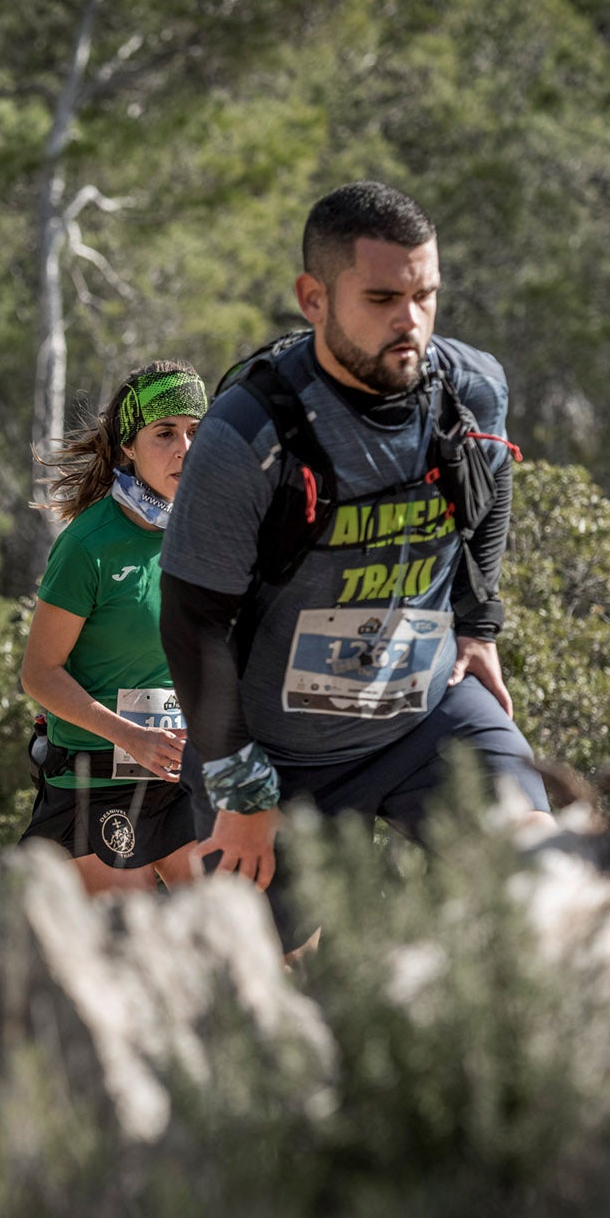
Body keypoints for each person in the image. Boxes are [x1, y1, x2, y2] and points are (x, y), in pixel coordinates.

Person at [159, 181, 553, 927]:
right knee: (248, 984)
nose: (411, 321)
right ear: (314, 298)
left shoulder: (472, 391)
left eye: (425, 296)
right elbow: (191, 622)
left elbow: (491, 490)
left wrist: (479, 623)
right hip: (274, 754)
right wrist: (241, 792)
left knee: (536, 870)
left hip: (426, 718)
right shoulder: (245, 437)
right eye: (381, 299)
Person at [18, 361, 214, 894]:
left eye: (197, 431)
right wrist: (131, 736)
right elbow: (39, 674)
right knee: (132, 942)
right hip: (95, 778)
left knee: (248, 925)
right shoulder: (88, 545)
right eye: (166, 433)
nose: (185, 448)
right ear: (128, 445)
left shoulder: (209, 533)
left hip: (180, 778)